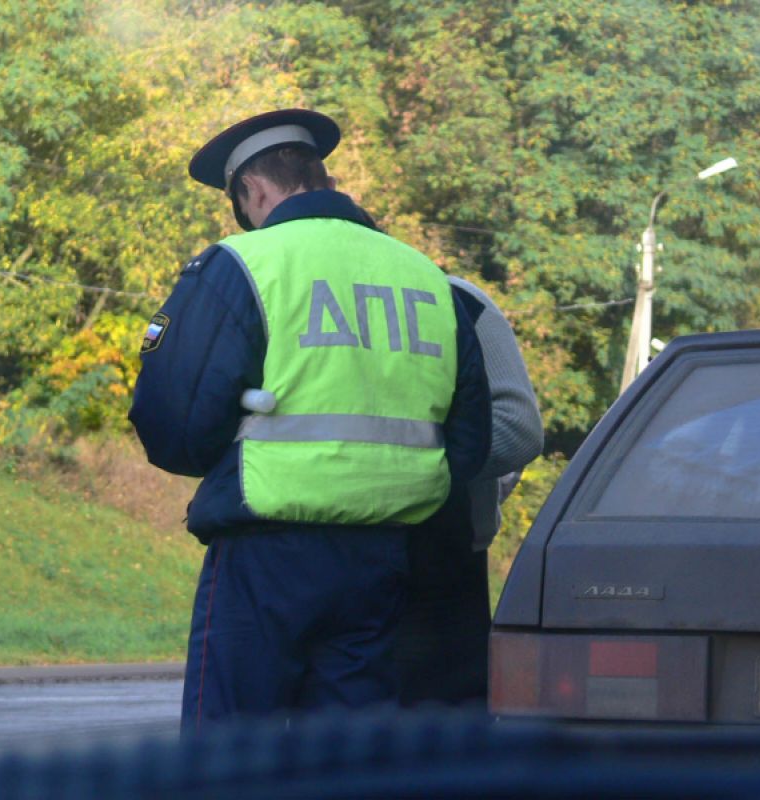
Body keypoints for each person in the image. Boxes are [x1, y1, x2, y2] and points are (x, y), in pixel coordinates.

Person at [128, 109, 491, 731]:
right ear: (324, 179)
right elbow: (470, 436)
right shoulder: (426, 277)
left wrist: (230, 451)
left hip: (266, 558)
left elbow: (173, 418)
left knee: (233, 755)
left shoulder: (243, 264)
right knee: (348, 759)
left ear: (252, 191)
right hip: (385, 559)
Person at [395, 276, 543, 706]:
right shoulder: (294, 294)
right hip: (326, 553)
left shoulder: (456, 297)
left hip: (440, 561)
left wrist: (404, 473)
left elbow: (517, 429)